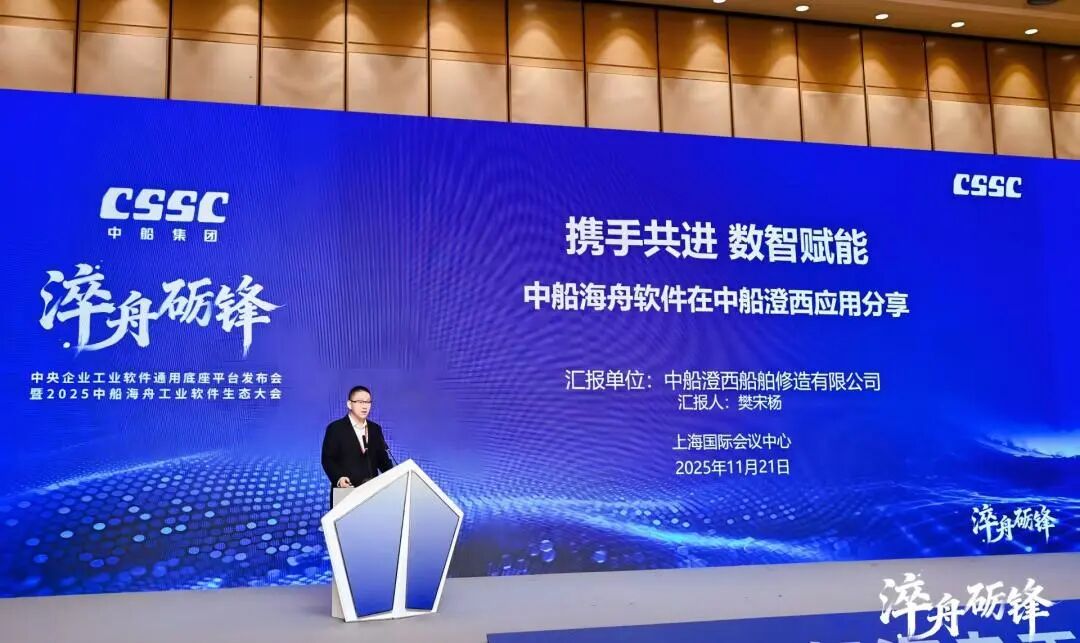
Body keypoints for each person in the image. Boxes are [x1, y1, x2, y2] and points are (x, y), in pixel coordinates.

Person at [321, 385, 394, 498]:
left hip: (372, 493)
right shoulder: (335, 428)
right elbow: (328, 459)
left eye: (368, 402)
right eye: (360, 402)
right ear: (349, 404)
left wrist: (395, 475)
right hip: (346, 492)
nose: (365, 406)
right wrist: (339, 478)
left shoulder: (375, 429)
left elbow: (383, 460)